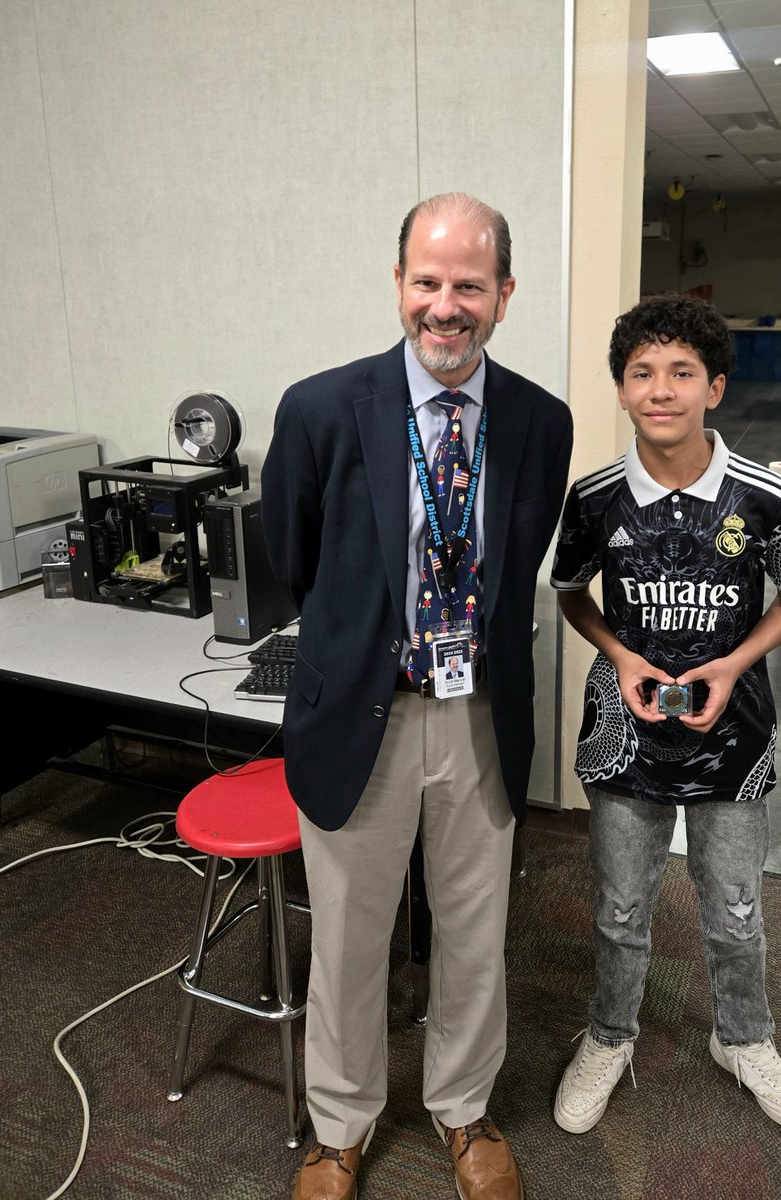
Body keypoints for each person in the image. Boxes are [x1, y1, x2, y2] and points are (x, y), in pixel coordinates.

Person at [261, 193, 573, 1200]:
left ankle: (463, 1108)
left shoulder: (540, 422)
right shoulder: (319, 409)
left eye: (469, 286)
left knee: (476, 930)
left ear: (504, 295)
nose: (446, 307)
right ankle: (339, 1125)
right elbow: (292, 557)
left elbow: (517, 560)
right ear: (398, 284)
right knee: (348, 930)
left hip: (481, 710)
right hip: (362, 709)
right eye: (427, 282)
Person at [549, 293, 781, 1140]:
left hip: (731, 737)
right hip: (624, 738)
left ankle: (744, 1038)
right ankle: (609, 1036)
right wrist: (623, 656)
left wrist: (735, 660)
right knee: (620, 906)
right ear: (622, 390)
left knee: (735, 905)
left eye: (681, 372)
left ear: (716, 388)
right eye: (641, 373)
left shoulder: (764, 498)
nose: (660, 389)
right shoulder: (593, 499)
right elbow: (570, 593)